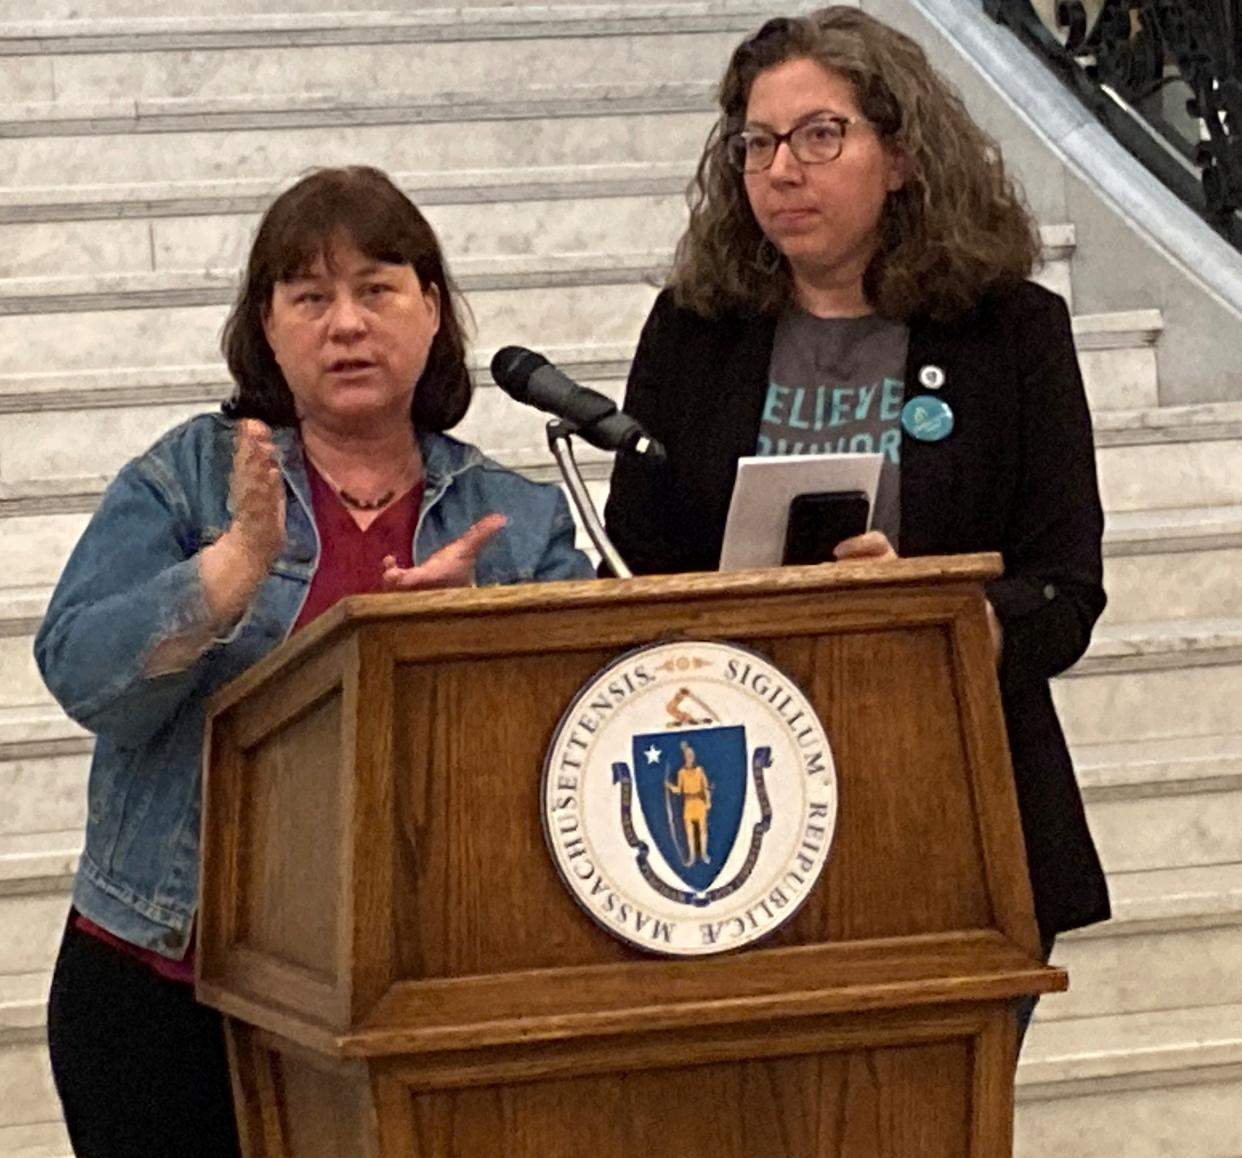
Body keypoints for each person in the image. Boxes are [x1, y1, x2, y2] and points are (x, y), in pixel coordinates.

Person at [35, 165, 594, 1156]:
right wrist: (231, 569)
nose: (346, 324)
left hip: (415, 993)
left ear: (431, 312)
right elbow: (83, 673)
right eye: (310, 297)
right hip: (170, 982)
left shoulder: (520, 520)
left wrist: (460, 654)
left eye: (377, 289)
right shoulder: (190, 476)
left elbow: (578, 757)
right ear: (268, 327)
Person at [603, 7, 1111, 1041]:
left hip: (954, 813)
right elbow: (633, 567)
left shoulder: (1011, 332)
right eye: (756, 142)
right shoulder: (695, 333)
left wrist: (927, 607)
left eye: (820, 135)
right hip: (739, 819)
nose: (781, 168)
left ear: (903, 152)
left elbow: (1065, 589)